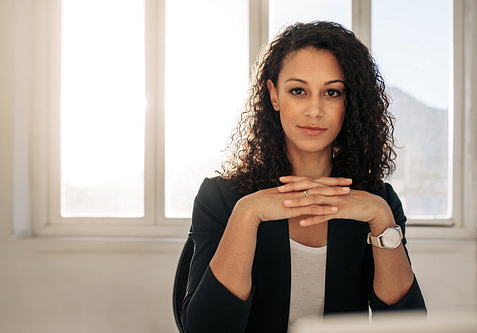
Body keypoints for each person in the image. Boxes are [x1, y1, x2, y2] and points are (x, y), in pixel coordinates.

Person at [181, 21, 426, 333]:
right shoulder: (221, 198)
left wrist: (381, 218)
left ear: (348, 103)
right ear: (274, 95)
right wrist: (247, 214)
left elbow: (407, 327)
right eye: (298, 90)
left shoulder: (379, 202)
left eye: (332, 92)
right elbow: (204, 329)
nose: (314, 109)